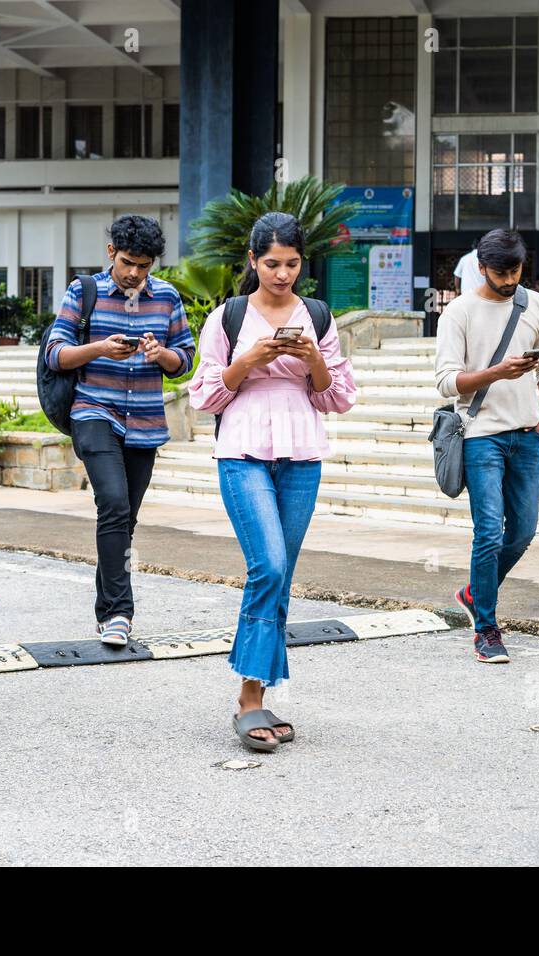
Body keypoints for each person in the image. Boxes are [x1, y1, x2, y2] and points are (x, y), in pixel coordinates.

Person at [188, 212, 356, 752]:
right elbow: (205, 394)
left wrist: (312, 360)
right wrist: (250, 358)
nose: (282, 274)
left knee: (281, 577)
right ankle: (247, 698)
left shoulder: (319, 317)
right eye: (271, 263)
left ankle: (257, 691)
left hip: (302, 452)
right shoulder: (228, 317)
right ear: (252, 261)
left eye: (291, 263)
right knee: (270, 565)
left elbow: (336, 396)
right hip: (242, 452)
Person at [42, 215, 195, 647]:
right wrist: (99, 348)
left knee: (123, 518)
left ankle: (106, 606)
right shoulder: (83, 291)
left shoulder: (166, 297)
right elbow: (56, 354)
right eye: (128, 263)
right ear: (111, 253)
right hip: (94, 412)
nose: (135, 274)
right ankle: (118, 613)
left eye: (144, 266)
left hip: (144, 421)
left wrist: (160, 353)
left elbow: (184, 362)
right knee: (112, 503)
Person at [435, 228, 539, 663]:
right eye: (501, 272)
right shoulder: (459, 313)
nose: (510, 280)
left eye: (517, 270)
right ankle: (486, 629)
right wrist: (496, 373)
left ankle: (474, 592)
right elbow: (447, 382)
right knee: (489, 531)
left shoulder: (534, 303)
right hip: (480, 435)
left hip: (528, 435)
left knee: (522, 532)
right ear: (481, 267)